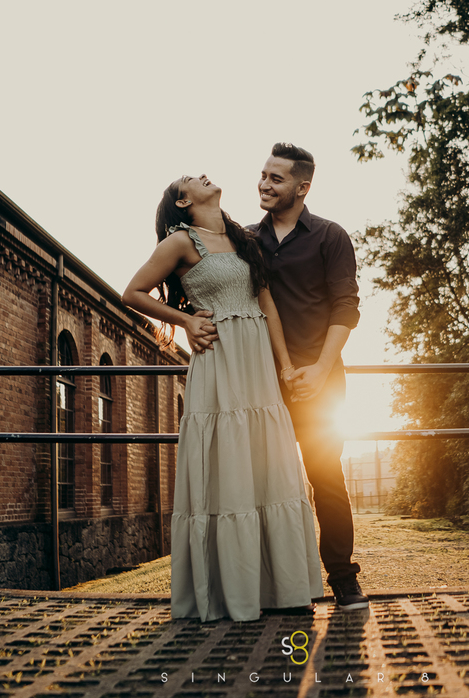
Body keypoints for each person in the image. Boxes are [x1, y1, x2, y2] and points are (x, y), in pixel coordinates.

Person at [122, 173, 322, 622]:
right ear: (183, 199)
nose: (203, 175)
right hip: (220, 359)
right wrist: (187, 321)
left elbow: (266, 303)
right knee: (229, 462)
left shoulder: (242, 237)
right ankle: (233, 592)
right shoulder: (179, 241)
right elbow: (131, 292)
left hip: (258, 365)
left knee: (268, 461)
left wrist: (286, 366)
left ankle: (284, 589)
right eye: (191, 178)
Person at [251, 142, 368, 610]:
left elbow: (347, 307)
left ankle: (343, 579)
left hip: (322, 383)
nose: (264, 184)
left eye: (275, 178)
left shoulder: (330, 236)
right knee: (262, 483)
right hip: (260, 381)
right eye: (262, 174)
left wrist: (320, 370)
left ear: (302, 187)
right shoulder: (244, 239)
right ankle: (277, 588)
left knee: (326, 479)